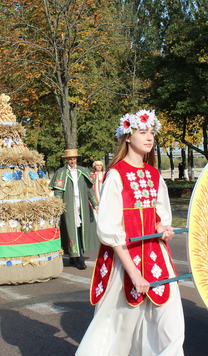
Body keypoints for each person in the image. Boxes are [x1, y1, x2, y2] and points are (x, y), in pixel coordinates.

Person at [76, 110, 184, 356]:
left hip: (157, 259)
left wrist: (162, 229)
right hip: (126, 261)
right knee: (118, 331)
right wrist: (134, 274)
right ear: (127, 136)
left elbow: (159, 216)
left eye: (152, 133)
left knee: (173, 327)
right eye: (142, 132)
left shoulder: (154, 174)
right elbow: (111, 230)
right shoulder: (116, 175)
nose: (149, 138)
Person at [51, 149, 99, 270]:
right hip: (69, 205)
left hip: (81, 205)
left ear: (77, 159)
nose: (72, 161)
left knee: (81, 230)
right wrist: (57, 205)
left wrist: (95, 203)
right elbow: (58, 191)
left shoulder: (83, 171)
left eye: (74, 159)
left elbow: (89, 189)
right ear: (66, 160)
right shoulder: (61, 173)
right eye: (70, 159)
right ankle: (77, 257)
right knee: (71, 230)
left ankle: (75, 256)